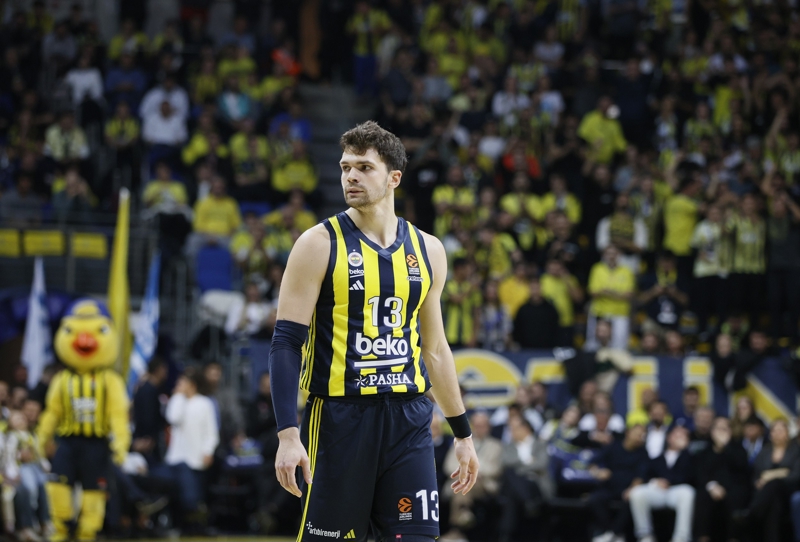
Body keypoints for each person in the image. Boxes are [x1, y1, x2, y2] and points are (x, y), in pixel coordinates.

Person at [269, 121, 479, 542]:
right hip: (340, 420)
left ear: (393, 178)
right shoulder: (317, 244)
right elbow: (286, 342)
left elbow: (435, 349)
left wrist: (463, 433)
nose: (351, 176)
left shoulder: (429, 250)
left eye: (364, 168)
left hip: (409, 420)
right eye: (345, 167)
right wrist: (288, 435)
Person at [629, 425, 696, 542]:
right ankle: (645, 536)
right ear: (669, 437)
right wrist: (656, 481)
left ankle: (681, 538)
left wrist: (685, 450)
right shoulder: (657, 458)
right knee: (637, 493)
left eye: (683, 436)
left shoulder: (689, 457)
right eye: (677, 434)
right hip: (658, 492)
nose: (679, 438)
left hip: (676, 492)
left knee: (688, 492)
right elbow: (647, 475)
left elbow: (689, 476)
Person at [694, 417, 751, 542]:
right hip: (712, 488)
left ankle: (733, 538)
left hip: (733, 487)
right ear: (712, 431)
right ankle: (703, 537)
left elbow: (741, 467)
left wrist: (726, 446)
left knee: (737, 495)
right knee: (701, 495)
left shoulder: (737, 448)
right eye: (718, 429)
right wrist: (712, 486)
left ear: (730, 432)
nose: (721, 432)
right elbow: (701, 473)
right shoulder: (705, 451)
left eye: (725, 429)